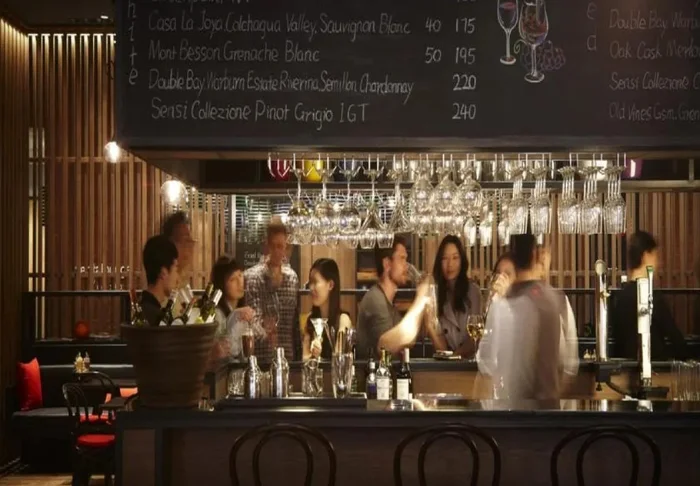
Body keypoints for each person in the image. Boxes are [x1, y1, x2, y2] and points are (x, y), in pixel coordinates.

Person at [477, 234, 563, 400]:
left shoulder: (501, 305)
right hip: (548, 409)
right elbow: (566, 365)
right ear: (535, 255)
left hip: (510, 408)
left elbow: (486, 366)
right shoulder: (553, 300)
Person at [611, 231, 688, 360]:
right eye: (655, 256)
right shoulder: (653, 297)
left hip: (625, 368)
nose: (658, 263)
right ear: (646, 256)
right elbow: (675, 338)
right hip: (655, 367)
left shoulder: (619, 298)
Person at [356, 236, 433, 359]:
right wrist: (420, 299)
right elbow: (386, 347)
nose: (406, 266)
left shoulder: (389, 304)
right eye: (402, 259)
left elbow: (408, 338)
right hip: (372, 372)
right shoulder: (375, 299)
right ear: (387, 264)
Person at [244, 220, 299, 361]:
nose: (276, 251)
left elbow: (294, 323)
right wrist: (265, 333)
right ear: (266, 246)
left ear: (286, 247)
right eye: (273, 246)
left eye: (280, 246)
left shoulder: (292, 278)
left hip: (287, 356)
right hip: (262, 357)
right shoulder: (252, 277)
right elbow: (252, 319)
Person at [431, 235, 482, 356]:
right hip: (446, 362)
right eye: (445, 258)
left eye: (455, 258)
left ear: (462, 261)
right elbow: (440, 344)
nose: (450, 264)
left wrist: (455, 357)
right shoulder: (436, 294)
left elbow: (474, 338)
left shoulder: (473, 291)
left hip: (470, 361)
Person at [537, 247, 579, 377]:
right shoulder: (515, 299)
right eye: (538, 253)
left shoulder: (560, 299)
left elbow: (571, 353)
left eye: (545, 253)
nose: (543, 259)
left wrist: (566, 380)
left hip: (555, 382)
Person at [303, 258, 352, 360]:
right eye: (310, 282)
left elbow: (339, 358)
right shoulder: (310, 320)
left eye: (315, 282)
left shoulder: (343, 320)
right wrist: (313, 355)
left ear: (330, 285)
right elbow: (304, 359)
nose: (311, 288)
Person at [209, 256, 257, 361]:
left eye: (240, 275)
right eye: (232, 279)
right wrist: (234, 317)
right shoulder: (216, 314)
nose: (240, 282)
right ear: (222, 285)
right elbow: (227, 351)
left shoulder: (243, 311)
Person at [140, 235, 180, 327]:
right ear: (163, 272)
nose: (178, 278)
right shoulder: (157, 319)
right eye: (176, 269)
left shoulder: (143, 310)